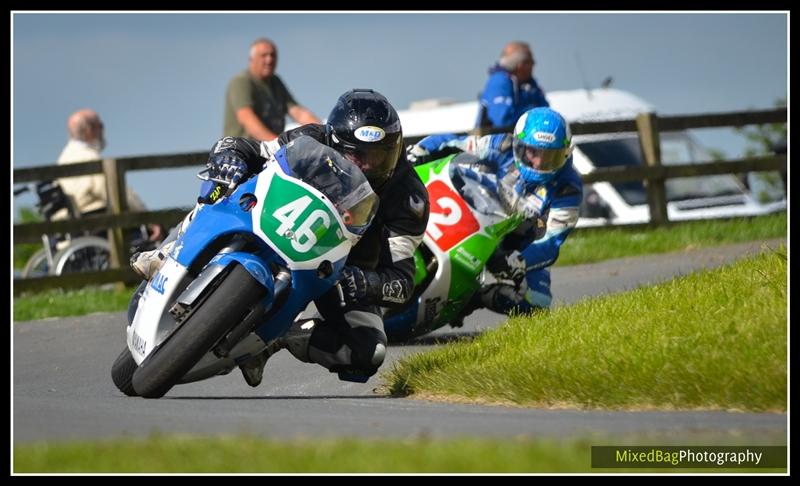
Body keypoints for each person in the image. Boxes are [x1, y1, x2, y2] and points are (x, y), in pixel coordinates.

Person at [132, 89, 430, 386]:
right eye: (356, 155)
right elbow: (255, 150)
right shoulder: (311, 137)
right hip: (274, 219)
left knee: (370, 353)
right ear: (336, 142)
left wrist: (366, 283)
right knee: (221, 183)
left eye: (378, 157)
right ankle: (169, 252)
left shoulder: (409, 198)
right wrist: (230, 154)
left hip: (339, 275)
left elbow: (402, 282)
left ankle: (283, 338)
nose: (366, 166)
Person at [408, 106, 582, 318]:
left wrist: (520, 260)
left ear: (564, 154)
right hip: (476, 212)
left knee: (538, 302)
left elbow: (551, 242)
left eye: (549, 158)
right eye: (533, 153)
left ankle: (476, 297)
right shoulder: (502, 146)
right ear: (519, 144)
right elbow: (454, 142)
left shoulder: (568, 189)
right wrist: (419, 151)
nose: (538, 164)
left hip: (517, 243)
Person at [55, 109, 163, 241]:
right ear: (90, 130)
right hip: (99, 224)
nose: (102, 131)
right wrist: (147, 217)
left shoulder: (64, 157)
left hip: (78, 226)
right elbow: (114, 192)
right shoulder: (89, 158)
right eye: (100, 126)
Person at [223, 38, 321, 141]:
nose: (269, 60)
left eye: (272, 55)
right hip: (240, 152)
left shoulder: (275, 82)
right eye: (263, 55)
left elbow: (298, 113)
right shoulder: (241, 81)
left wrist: (324, 132)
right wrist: (276, 143)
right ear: (252, 59)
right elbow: (246, 118)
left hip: (269, 152)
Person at [476, 41, 549, 130]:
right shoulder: (499, 81)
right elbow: (503, 120)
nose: (534, 64)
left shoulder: (530, 85)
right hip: (497, 140)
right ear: (520, 65)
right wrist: (533, 113)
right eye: (530, 61)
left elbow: (547, 113)